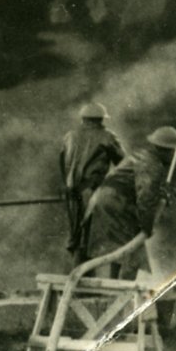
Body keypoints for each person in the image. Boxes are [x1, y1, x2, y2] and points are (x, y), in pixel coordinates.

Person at [82, 127, 176, 280]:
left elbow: (141, 187)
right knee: (132, 253)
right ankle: (123, 295)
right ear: (165, 150)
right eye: (172, 151)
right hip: (115, 204)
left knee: (119, 250)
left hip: (105, 201)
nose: (173, 155)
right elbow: (145, 198)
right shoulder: (152, 165)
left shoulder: (141, 155)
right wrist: (147, 227)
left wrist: (162, 192)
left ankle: (116, 290)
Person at [58, 103, 124, 265]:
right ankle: (90, 280)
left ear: (83, 119)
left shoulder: (69, 136)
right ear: (101, 120)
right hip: (92, 190)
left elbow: (62, 164)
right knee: (95, 237)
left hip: (71, 192)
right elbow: (123, 164)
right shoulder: (107, 136)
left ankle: (80, 281)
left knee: (77, 236)